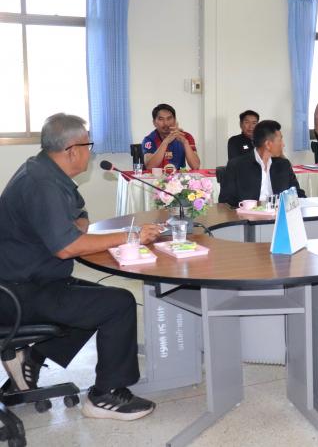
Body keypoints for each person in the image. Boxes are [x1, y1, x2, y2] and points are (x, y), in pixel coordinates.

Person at [0, 113, 161, 420]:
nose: (91, 153)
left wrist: (77, 230)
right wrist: (131, 236)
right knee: (118, 304)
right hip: (17, 292)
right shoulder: (42, 184)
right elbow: (67, 247)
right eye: (89, 146)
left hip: (33, 280)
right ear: (72, 150)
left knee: (96, 300)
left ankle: (32, 358)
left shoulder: (46, 170)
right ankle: (105, 395)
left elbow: (81, 216)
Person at [219, 120, 306, 206]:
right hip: (248, 214)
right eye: (280, 140)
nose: (283, 145)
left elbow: (298, 194)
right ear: (268, 144)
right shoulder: (237, 165)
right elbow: (225, 201)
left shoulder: (284, 165)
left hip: (279, 213)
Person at [142, 103, 201, 170]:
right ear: (154, 123)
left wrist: (185, 142)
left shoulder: (186, 136)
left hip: (179, 176)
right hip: (156, 176)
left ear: (175, 120)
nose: (166, 123)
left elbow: (196, 166)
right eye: (161, 119)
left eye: (169, 118)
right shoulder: (149, 140)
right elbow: (149, 167)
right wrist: (165, 142)